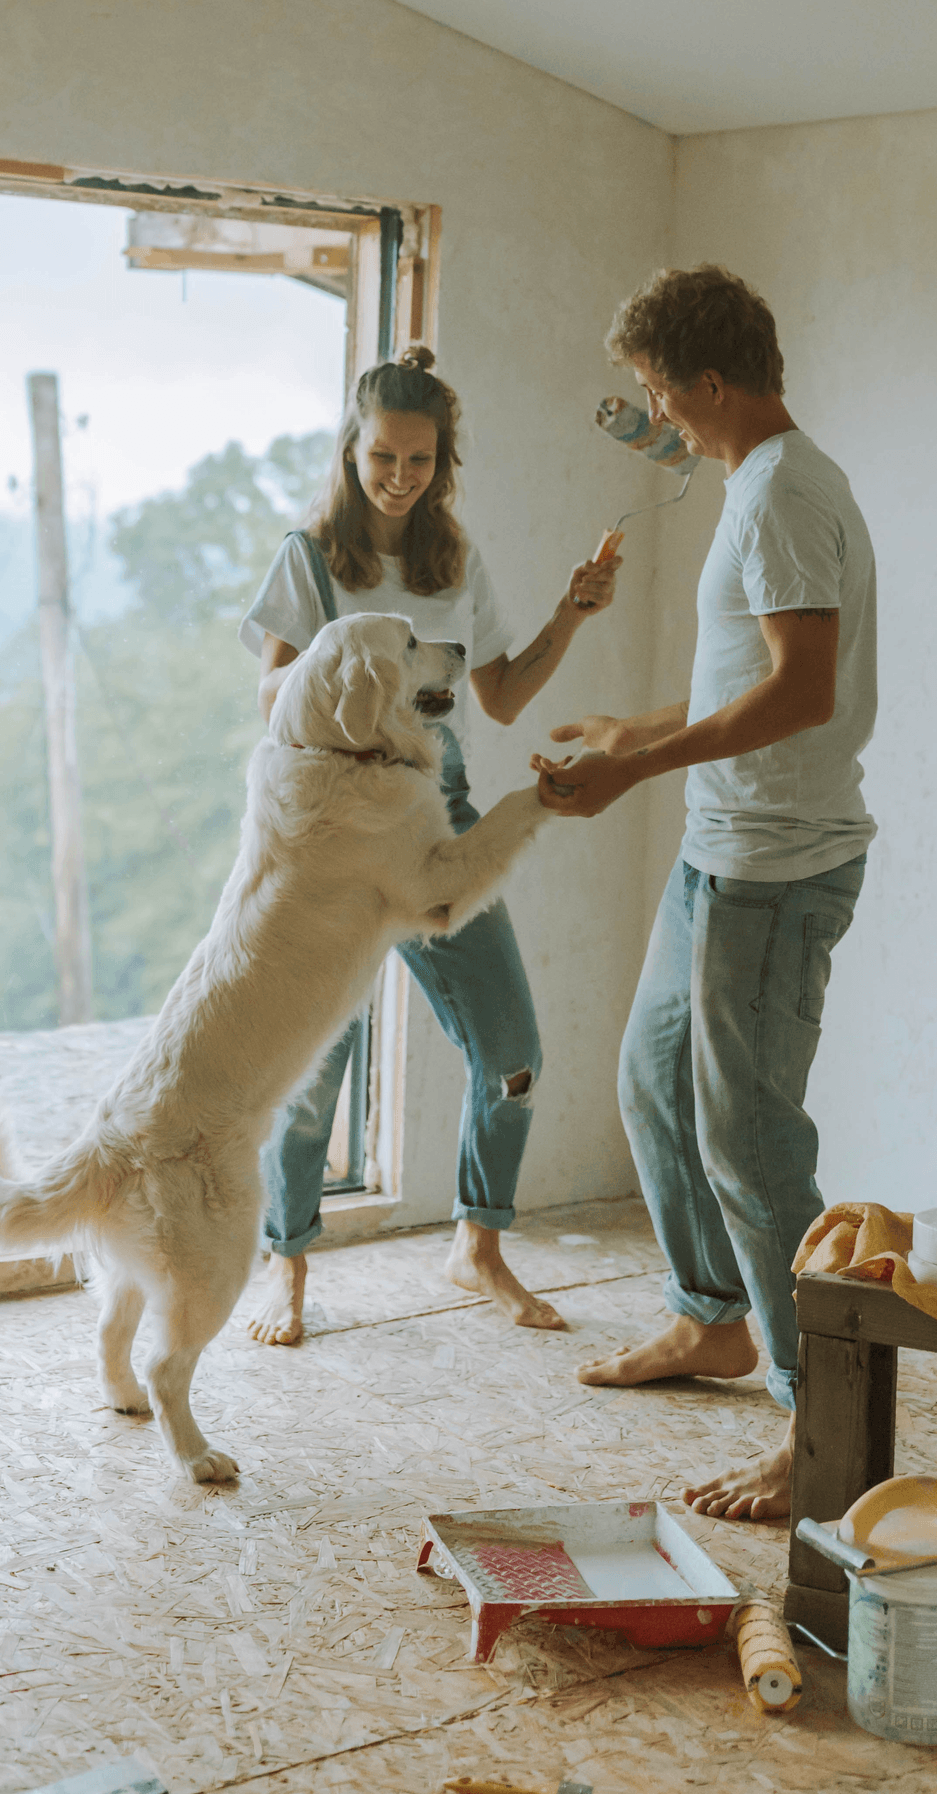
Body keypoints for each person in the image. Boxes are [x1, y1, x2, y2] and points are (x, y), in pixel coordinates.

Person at [533, 267, 878, 1520]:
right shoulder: (758, 485)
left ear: (712, 382)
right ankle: (710, 1318)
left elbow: (803, 692)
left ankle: (817, 1418)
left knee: (753, 1142)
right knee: (649, 1076)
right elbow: (752, 677)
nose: (657, 412)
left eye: (657, 391)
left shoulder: (785, 490)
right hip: (718, 850)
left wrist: (633, 771)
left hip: (775, 869)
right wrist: (643, 726)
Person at [238, 345, 621, 1346]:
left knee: (513, 1054)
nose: (399, 475)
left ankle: (478, 1245)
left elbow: (498, 696)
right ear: (353, 452)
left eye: (419, 459)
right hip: (333, 827)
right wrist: (363, 668)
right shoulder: (309, 555)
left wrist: (570, 617)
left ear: (441, 460)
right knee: (312, 1069)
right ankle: (287, 1262)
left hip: (437, 814)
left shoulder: (457, 559)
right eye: (382, 458)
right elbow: (270, 697)